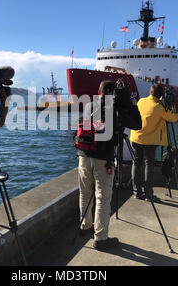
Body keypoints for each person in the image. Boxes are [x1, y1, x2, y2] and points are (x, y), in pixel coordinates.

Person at [76, 80, 142, 251]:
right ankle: (101, 238)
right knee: (102, 198)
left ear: (100, 92)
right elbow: (137, 124)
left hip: (83, 156)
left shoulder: (91, 106)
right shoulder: (118, 109)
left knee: (85, 193)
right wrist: (131, 105)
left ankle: (85, 226)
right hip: (102, 159)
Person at [129, 84, 178, 201]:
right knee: (148, 165)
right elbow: (173, 118)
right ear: (161, 96)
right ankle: (148, 194)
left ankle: (136, 191)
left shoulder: (141, 101)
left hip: (135, 137)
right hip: (149, 142)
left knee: (136, 163)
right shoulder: (158, 107)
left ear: (150, 92)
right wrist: (172, 105)